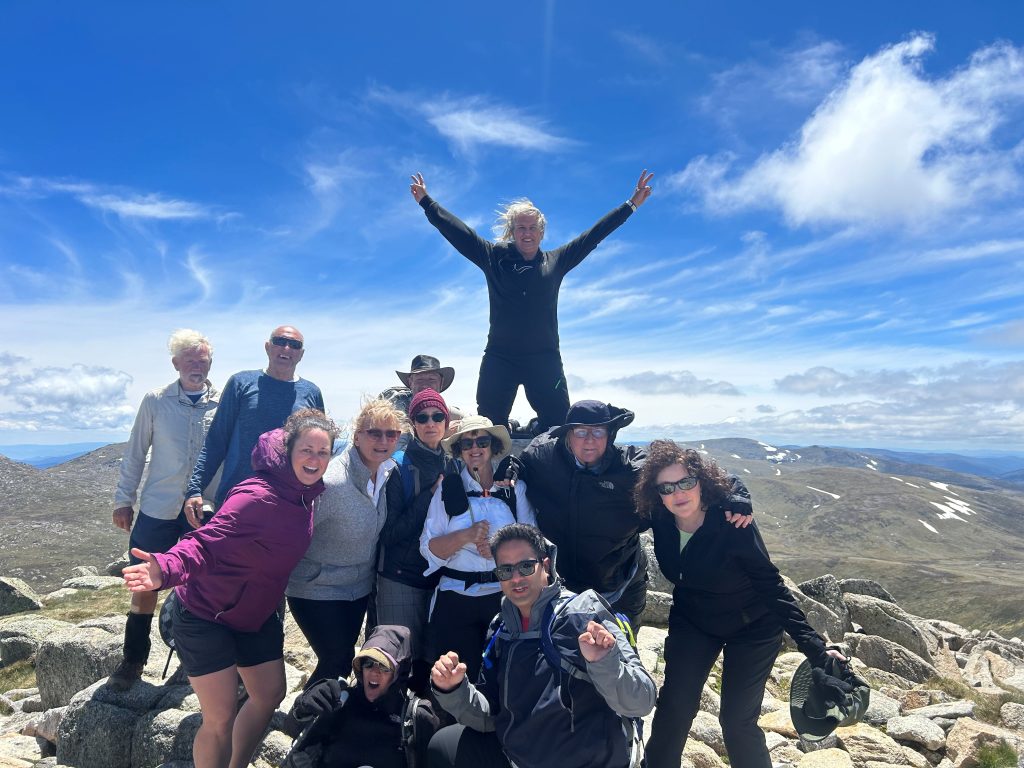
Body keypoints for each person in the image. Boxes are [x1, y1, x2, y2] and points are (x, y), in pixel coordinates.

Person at [122, 409, 340, 768]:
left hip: (255, 614)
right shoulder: (257, 495)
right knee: (220, 717)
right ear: (288, 451)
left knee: (270, 693)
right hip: (207, 614)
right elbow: (205, 543)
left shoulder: (306, 494)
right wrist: (166, 569)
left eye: (322, 453)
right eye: (306, 450)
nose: (314, 459)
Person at [634, 440, 847, 768]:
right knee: (674, 707)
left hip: (753, 626)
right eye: (667, 487)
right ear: (656, 492)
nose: (678, 493)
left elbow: (770, 585)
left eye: (686, 482)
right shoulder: (660, 516)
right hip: (694, 621)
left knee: (736, 721)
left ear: (701, 481)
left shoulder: (732, 522)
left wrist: (816, 648)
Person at [410, 170, 653, 432]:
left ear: (541, 232)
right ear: (512, 232)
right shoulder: (494, 258)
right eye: (521, 228)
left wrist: (631, 205)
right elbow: (459, 233)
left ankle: (540, 433)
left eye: (532, 228)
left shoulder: (556, 261)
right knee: (489, 424)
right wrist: (427, 202)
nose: (527, 234)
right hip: (500, 357)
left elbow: (593, 236)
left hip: (544, 358)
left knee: (560, 422)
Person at [507, 400, 753, 630]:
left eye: (598, 432)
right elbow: (517, 466)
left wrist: (736, 493)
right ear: (568, 435)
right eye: (581, 432)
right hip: (561, 589)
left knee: (622, 659)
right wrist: (511, 467)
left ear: (610, 434)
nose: (589, 440)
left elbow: (693, 469)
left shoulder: (633, 467)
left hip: (620, 587)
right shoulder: (542, 457)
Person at [427, 523, 656, 768]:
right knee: (444, 745)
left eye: (526, 566)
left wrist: (604, 663)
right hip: (519, 757)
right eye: (505, 570)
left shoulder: (584, 613)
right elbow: (490, 717)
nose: (516, 578)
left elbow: (642, 700)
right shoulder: (502, 629)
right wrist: (454, 690)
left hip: (587, 762)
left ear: (545, 565)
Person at [108, 329, 220, 691]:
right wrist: (123, 499)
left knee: (199, 585)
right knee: (143, 580)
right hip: (158, 506)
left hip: (202, 510)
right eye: (189, 360)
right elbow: (136, 452)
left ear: (210, 363)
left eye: (202, 360)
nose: (196, 366)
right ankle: (133, 658)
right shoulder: (155, 401)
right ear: (176, 364)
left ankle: (192, 662)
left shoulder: (223, 403)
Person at [287, 399, 407, 687]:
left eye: (391, 434)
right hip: (316, 588)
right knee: (336, 659)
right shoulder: (332, 482)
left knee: (341, 662)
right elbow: (292, 535)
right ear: (356, 436)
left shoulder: (388, 472)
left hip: (357, 589)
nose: (383, 440)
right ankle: (303, 721)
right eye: (374, 433)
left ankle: (322, 720)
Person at [419, 416, 536, 684]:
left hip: (505, 596)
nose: (475, 448)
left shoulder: (515, 490)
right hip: (456, 598)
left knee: (507, 678)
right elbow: (428, 548)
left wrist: (499, 551)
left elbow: (533, 542)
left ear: (492, 447)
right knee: (457, 678)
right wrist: (465, 536)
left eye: (482, 441)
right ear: (459, 451)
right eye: (467, 443)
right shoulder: (447, 491)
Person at [184, 325, 325, 526]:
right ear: (267, 347)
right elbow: (217, 440)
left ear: (301, 354)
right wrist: (195, 489)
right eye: (279, 341)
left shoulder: (311, 393)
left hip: (288, 505)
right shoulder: (241, 383)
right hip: (235, 501)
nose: (286, 348)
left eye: (294, 345)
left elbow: (320, 451)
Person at [377, 389, 457, 693]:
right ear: (413, 424)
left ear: (446, 423)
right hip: (400, 577)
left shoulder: (452, 465)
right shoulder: (397, 467)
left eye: (437, 416)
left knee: (429, 660)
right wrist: (430, 497)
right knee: (396, 661)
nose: (430, 423)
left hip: (439, 577)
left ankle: (420, 727)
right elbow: (389, 534)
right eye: (422, 417)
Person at [285, 624, 440, 768]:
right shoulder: (339, 701)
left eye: (384, 667)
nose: (374, 672)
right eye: (368, 663)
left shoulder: (416, 717)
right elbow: (291, 731)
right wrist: (302, 708)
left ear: (399, 674)